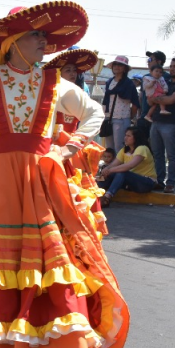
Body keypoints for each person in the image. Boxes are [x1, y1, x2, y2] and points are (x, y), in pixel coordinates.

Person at [0, 1, 128, 348]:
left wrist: (69, 147)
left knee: (43, 255)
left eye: (44, 35)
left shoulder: (53, 81)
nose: (44, 42)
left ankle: (40, 343)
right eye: (36, 35)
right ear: (14, 41)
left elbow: (94, 113)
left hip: (38, 179)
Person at [44, 48, 109, 238]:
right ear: (58, 73)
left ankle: (81, 235)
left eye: (74, 70)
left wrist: (77, 140)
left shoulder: (80, 94)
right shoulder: (50, 94)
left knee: (81, 193)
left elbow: (94, 116)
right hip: (55, 149)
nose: (72, 74)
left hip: (74, 149)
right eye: (67, 70)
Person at [148, 57, 175, 193]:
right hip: (156, 120)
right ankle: (159, 180)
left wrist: (157, 99)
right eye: (171, 66)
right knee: (157, 153)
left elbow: (171, 100)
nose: (172, 68)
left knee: (171, 154)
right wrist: (159, 99)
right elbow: (149, 100)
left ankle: (171, 182)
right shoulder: (164, 80)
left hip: (171, 122)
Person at [98, 127, 157, 207]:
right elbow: (113, 164)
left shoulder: (142, 148)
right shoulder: (124, 150)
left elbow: (129, 166)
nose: (125, 138)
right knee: (107, 175)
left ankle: (107, 198)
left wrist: (110, 170)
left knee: (122, 172)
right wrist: (106, 170)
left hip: (146, 183)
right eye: (125, 135)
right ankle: (95, 193)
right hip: (131, 182)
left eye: (128, 136)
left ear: (136, 137)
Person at [100, 55, 139, 151]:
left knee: (120, 148)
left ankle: (120, 166)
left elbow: (135, 103)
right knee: (109, 148)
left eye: (120, 65)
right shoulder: (109, 82)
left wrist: (129, 117)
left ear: (125, 68)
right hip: (108, 118)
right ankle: (111, 166)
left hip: (121, 118)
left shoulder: (129, 83)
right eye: (115, 64)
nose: (117, 67)